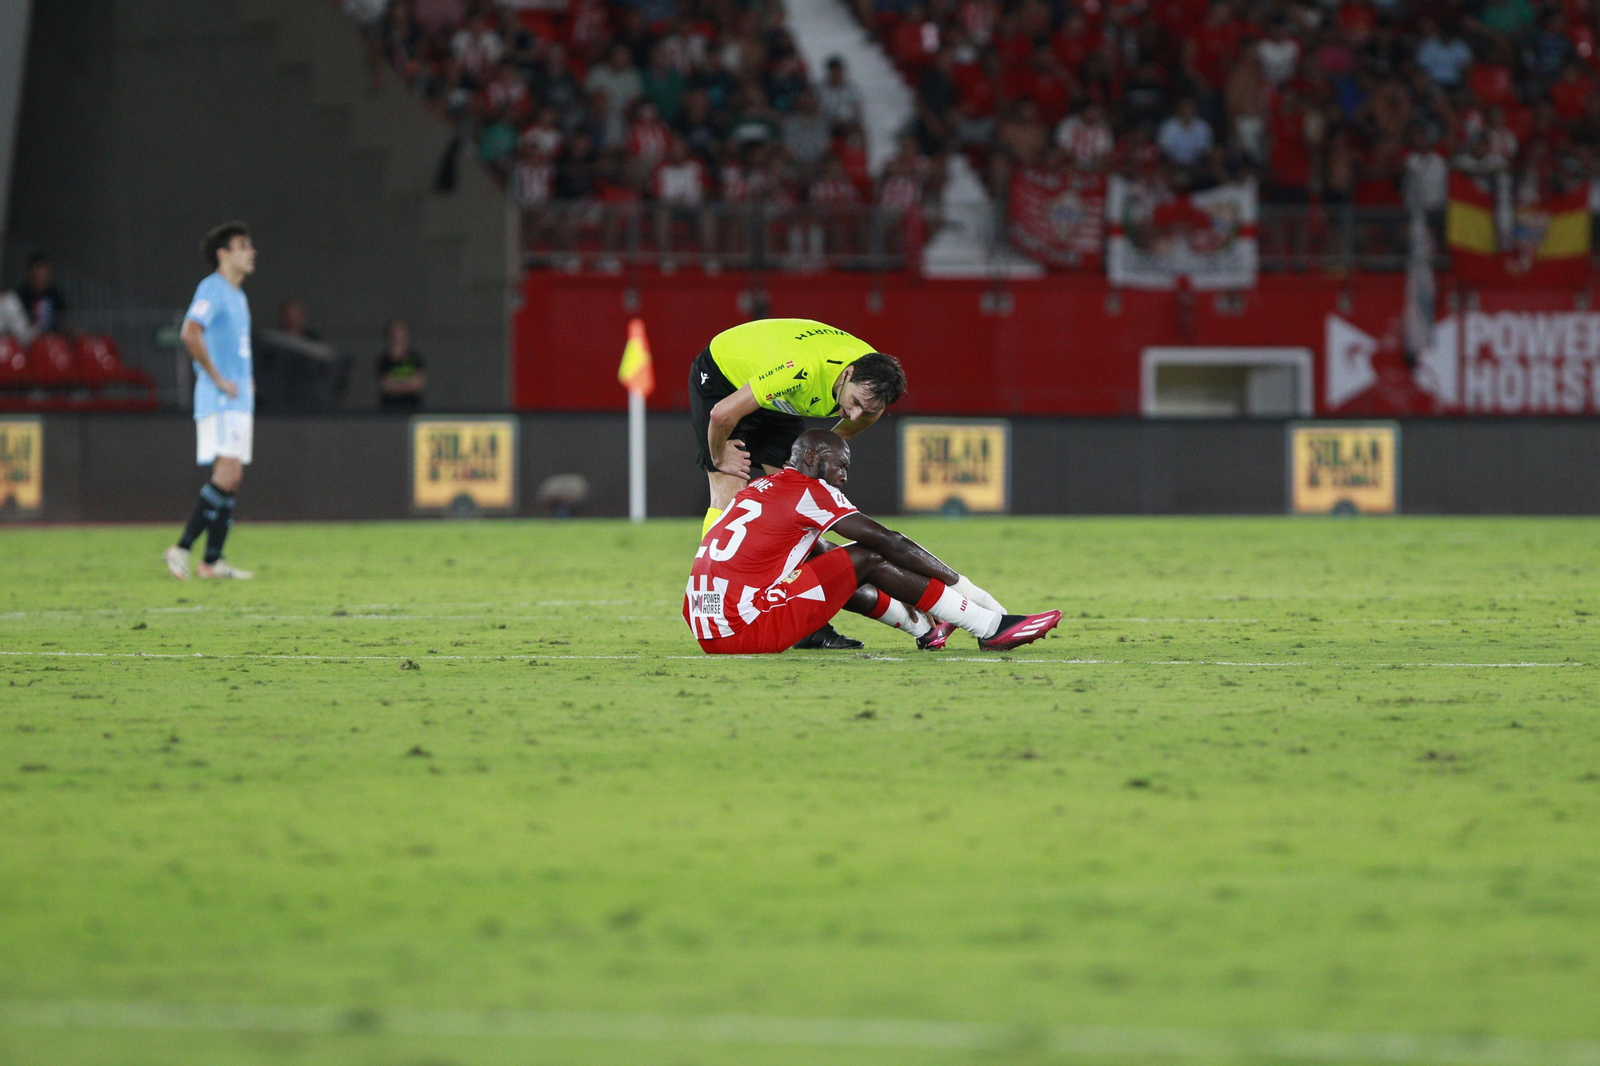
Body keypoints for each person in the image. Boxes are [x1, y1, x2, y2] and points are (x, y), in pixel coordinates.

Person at [684, 430, 1061, 655]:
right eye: (840, 466)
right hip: (741, 627)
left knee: (836, 565)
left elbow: (828, 562)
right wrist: (968, 590)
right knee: (868, 556)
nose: (844, 477)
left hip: (706, 623)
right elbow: (889, 542)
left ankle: (926, 629)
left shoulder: (757, 490)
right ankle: (988, 626)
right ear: (812, 458)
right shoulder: (809, 491)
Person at [688, 317, 907, 650]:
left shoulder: (873, 388)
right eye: (855, 403)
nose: (854, 413)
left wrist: (814, 464)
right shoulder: (800, 370)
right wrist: (718, 457)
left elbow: (838, 436)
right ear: (847, 375)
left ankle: (804, 624)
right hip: (724, 381)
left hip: (775, 395)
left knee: (798, 500)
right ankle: (712, 606)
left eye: (867, 410)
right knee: (729, 494)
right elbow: (721, 415)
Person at [164, 222, 257, 581]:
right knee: (227, 473)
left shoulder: (238, 295)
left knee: (233, 477)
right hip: (220, 399)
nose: (251, 251)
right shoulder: (213, 289)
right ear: (224, 253)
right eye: (243, 245)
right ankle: (182, 548)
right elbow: (190, 332)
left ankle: (212, 560)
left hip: (238, 400)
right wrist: (217, 377)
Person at [377, 317, 426, 410]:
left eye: (401, 330)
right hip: (389, 409)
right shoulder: (384, 359)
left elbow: (419, 384)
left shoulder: (415, 358)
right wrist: (407, 384)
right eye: (395, 330)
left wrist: (397, 384)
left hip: (412, 407)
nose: (398, 334)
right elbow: (386, 386)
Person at [12, 254, 68, 336]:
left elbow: (62, 318)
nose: (41, 278)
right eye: (38, 275)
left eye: (44, 275)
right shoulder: (20, 295)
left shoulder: (55, 294)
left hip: (52, 336)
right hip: (26, 338)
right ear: (31, 274)